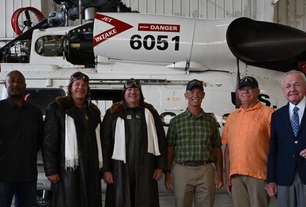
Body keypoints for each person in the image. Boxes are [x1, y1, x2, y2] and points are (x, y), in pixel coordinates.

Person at [0, 70, 43, 207]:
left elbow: (38, 141)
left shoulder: (35, 112)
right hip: (3, 174)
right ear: (5, 84)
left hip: (28, 174)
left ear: (25, 85)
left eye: (19, 81)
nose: (16, 84)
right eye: (12, 81)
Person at [101, 78, 167, 207]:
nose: (132, 92)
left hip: (146, 167)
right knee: (121, 200)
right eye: (129, 89)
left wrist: (160, 167)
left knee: (144, 200)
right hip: (119, 168)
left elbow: (161, 141)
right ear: (124, 93)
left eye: (136, 89)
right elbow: (105, 143)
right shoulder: (113, 114)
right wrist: (106, 169)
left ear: (141, 93)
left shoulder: (151, 113)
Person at [43, 71, 102, 207]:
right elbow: (49, 142)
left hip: (90, 168)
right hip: (67, 170)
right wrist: (51, 170)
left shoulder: (93, 112)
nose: (80, 87)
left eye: (84, 85)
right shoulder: (57, 108)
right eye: (77, 84)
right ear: (70, 88)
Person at [164, 79, 223, 207]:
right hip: (182, 170)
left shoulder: (211, 121)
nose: (195, 95)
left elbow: (217, 148)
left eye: (198, 92)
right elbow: (170, 149)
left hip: (206, 170)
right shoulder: (176, 121)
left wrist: (219, 175)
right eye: (192, 92)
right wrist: (167, 173)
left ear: (203, 95)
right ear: (186, 95)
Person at [221, 76, 274, 207]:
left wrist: (273, 177)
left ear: (258, 91)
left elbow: (277, 148)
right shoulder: (232, 117)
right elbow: (228, 150)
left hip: (259, 175)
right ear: (238, 93)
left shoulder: (269, 114)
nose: (245, 92)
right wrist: (228, 176)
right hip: (236, 176)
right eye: (242, 89)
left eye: (249, 89)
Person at [266, 70, 306, 207]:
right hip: (284, 178)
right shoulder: (277, 115)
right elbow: (273, 150)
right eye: (288, 86)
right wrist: (271, 180)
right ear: (283, 90)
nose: (292, 89)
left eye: (296, 85)